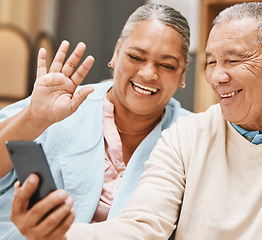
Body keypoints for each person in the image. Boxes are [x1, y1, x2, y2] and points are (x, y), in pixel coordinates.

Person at [14, 2, 262, 240]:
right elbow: (143, 227)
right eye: (211, 61)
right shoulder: (187, 134)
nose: (217, 77)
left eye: (234, 59)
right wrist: (56, 234)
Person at [0, 3, 191, 240]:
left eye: (167, 65)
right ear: (116, 53)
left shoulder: (191, 134)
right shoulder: (58, 104)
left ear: (183, 74)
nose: (148, 73)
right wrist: (33, 119)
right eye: (135, 56)